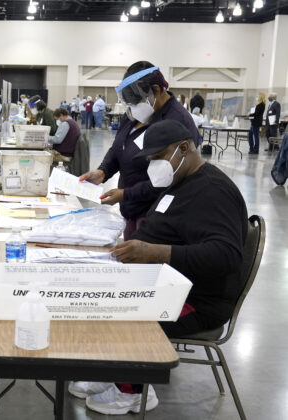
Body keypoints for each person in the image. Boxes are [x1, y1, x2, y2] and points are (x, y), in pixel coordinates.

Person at [72, 119, 247, 415]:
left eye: (159, 157)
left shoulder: (213, 191)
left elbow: (227, 255)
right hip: (167, 282)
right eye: (151, 159)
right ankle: (115, 371)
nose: (155, 165)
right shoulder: (180, 182)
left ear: (184, 149)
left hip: (195, 300)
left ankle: (134, 390)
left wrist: (157, 252)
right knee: (96, 292)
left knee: (125, 307)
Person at [79, 61, 200, 240]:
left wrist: (125, 194)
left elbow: (168, 179)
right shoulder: (134, 115)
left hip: (156, 216)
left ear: (157, 90)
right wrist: (103, 171)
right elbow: (118, 147)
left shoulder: (177, 122)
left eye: (138, 101)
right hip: (132, 209)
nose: (133, 107)